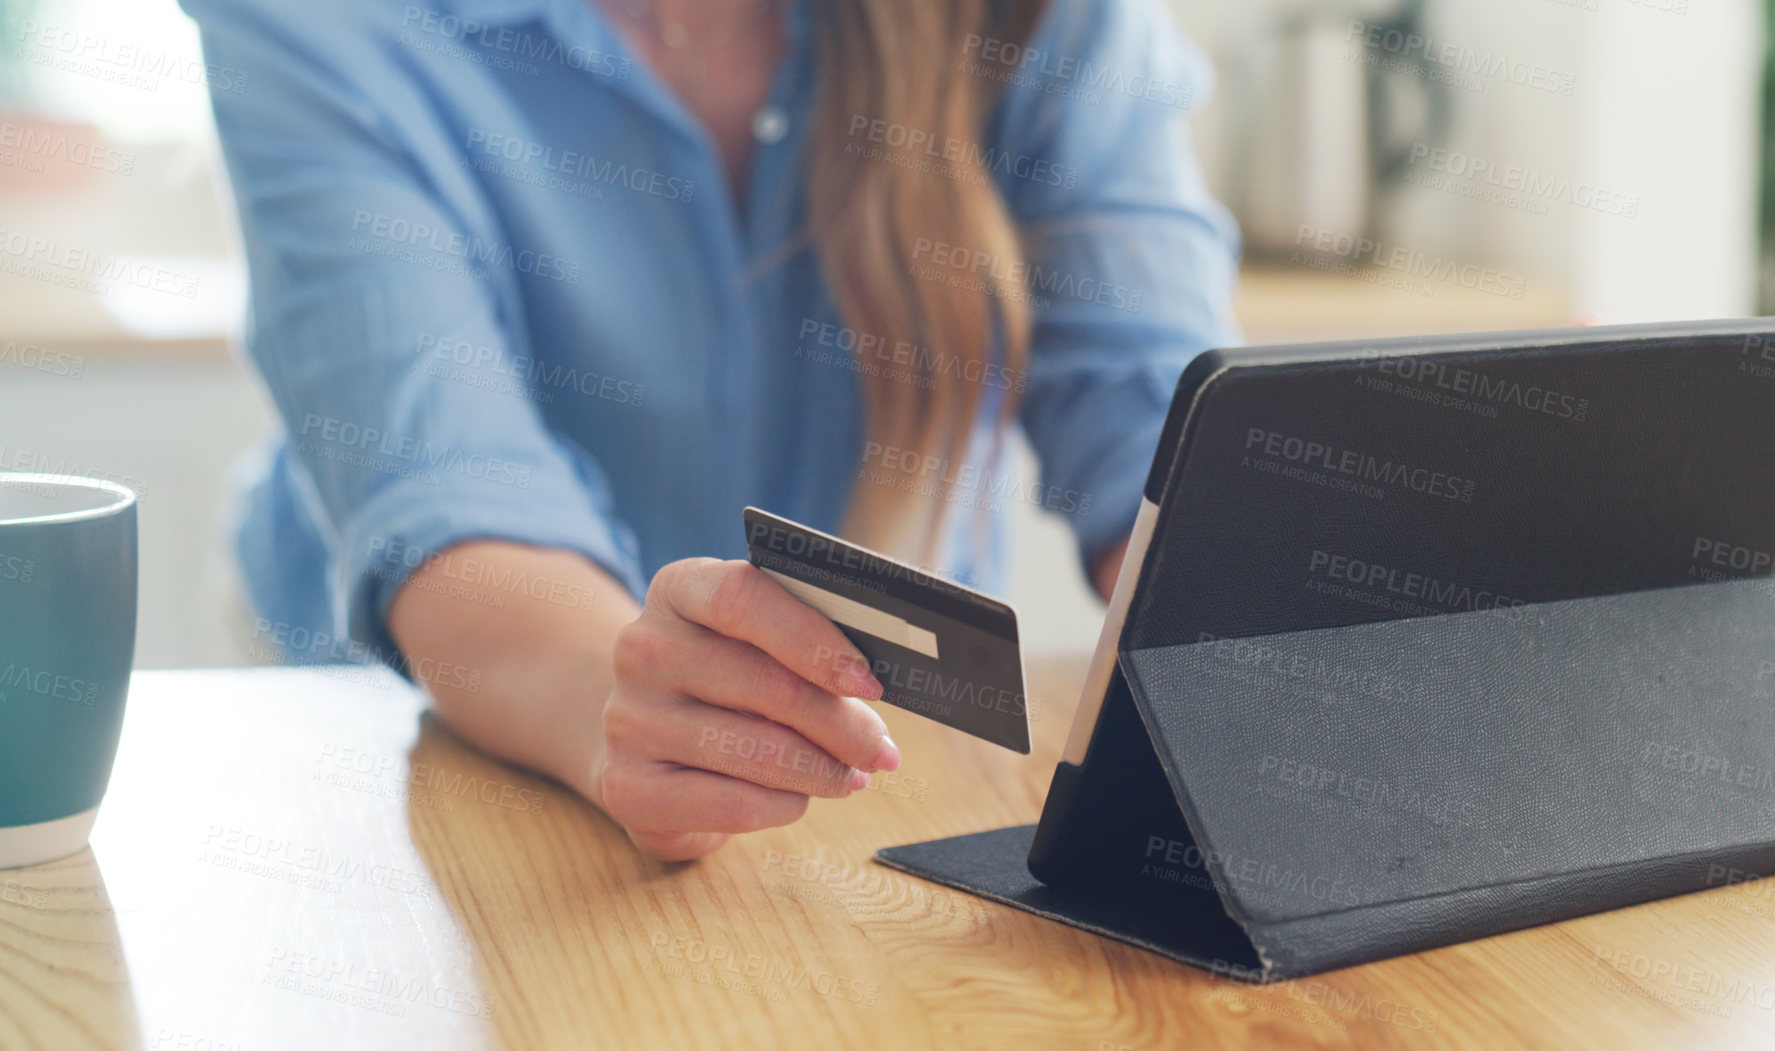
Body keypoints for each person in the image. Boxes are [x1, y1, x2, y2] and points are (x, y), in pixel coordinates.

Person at [183, 0, 1238, 860]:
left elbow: (1161, 417)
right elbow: (448, 487)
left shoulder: (1053, 19)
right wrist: (625, 696)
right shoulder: (318, 23)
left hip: (862, 771)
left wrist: (1258, 618)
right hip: (413, 745)